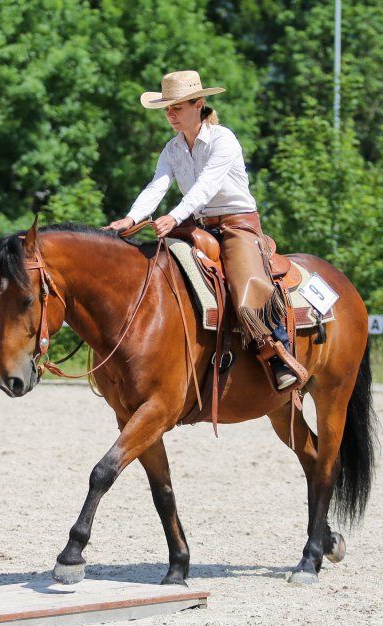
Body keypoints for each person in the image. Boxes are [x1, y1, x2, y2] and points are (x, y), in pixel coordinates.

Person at [103, 70, 300, 390]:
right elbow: (158, 185)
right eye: (167, 108)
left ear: (199, 104)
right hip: (198, 224)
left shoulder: (223, 140)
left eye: (177, 107)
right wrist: (131, 218)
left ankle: (276, 351)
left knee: (245, 281)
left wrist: (175, 217)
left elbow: (207, 186)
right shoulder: (172, 148)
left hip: (237, 224)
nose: (170, 114)